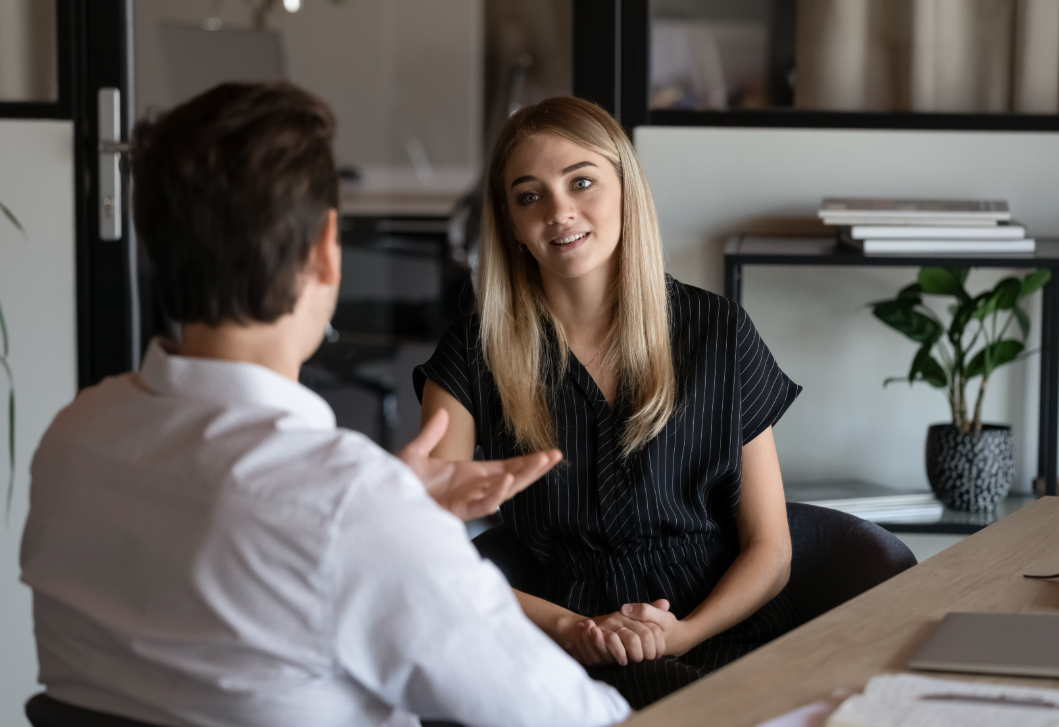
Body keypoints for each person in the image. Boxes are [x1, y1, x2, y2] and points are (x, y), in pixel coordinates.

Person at [20, 82, 631, 727]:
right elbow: (575, 717)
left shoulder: (74, 437)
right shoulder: (348, 509)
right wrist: (392, 519)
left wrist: (393, 506)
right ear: (323, 250)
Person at [416, 96, 802, 708]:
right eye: (529, 195)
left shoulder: (718, 331)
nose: (559, 211)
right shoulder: (473, 351)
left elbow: (771, 550)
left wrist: (683, 633)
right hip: (557, 647)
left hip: (720, 633)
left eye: (582, 182)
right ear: (511, 224)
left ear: (626, 189)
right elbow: (427, 554)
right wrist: (574, 629)